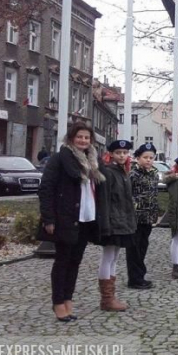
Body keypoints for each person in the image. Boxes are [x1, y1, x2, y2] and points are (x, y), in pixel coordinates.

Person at [38, 122, 106, 322]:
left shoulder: (93, 162)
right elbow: (46, 189)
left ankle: (68, 299)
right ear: (71, 138)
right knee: (62, 261)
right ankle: (58, 302)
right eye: (79, 137)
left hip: (86, 218)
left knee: (75, 262)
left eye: (86, 137)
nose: (83, 141)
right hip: (65, 218)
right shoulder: (60, 159)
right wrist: (48, 218)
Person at [97, 139, 137, 312]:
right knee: (108, 257)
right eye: (118, 153)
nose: (122, 155)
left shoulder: (123, 172)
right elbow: (104, 200)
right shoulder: (108, 172)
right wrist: (105, 224)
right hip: (113, 222)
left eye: (125, 152)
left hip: (123, 221)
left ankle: (110, 296)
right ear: (111, 154)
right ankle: (106, 298)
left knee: (114, 258)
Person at [126, 142, 159, 290]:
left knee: (143, 246)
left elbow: (154, 195)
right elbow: (128, 195)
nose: (148, 160)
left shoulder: (154, 173)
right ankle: (134, 278)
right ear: (138, 158)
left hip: (148, 217)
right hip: (135, 217)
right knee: (134, 248)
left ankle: (141, 275)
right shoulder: (133, 174)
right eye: (145, 157)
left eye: (151, 157)